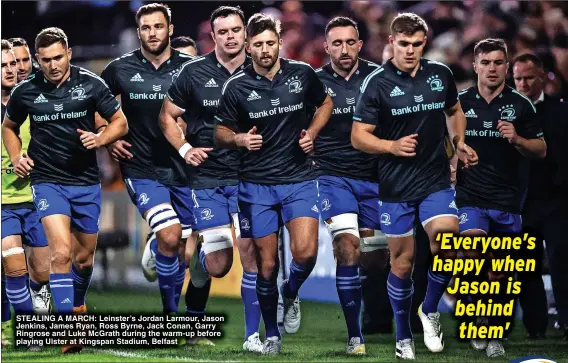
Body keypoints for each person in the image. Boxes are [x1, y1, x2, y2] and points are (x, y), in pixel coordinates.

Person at [351, 12, 478, 359]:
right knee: (402, 263)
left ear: (425, 43)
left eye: (417, 44)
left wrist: (458, 143)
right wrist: (391, 146)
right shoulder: (376, 83)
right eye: (403, 44)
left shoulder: (441, 75)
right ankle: (404, 335)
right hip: (395, 185)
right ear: (392, 42)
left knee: (449, 241)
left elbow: (454, 111)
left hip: (435, 179)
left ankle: (431, 309)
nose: (410, 50)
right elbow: (358, 136)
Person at [2, 27, 128, 354]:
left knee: (83, 260)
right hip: (47, 182)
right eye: (45, 60)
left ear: (69, 53)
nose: (53, 65)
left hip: (85, 183)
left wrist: (101, 139)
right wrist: (17, 156)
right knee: (60, 252)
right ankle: (68, 330)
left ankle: (78, 305)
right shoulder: (26, 91)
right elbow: (10, 127)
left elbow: (120, 122)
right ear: (38, 61)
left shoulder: (90, 83)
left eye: (58, 57)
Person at [214, 13, 333, 354]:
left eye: (270, 43)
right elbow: (219, 132)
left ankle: (291, 292)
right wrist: (239, 139)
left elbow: (325, 103)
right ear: (249, 47)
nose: (265, 50)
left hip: (298, 178)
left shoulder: (302, 74)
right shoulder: (236, 86)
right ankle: (273, 336)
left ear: (280, 42)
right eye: (258, 44)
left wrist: (312, 132)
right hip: (257, 185)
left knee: (306, 253)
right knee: (266, 265)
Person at [159, 6, 262, 352]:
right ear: (213, 36)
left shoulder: (262, 70)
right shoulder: (194, 72)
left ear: (245, 34)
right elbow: (167, 117)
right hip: (208, 180)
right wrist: (186, 148)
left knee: (253, 255)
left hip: (251, 176)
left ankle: (253, 336)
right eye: (224, 32)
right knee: (219, 266)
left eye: (236, 30)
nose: (231, 37)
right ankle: (201, 261)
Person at [100, 4, 203, 325]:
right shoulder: (120, 69)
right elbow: (95, 105)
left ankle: (156, 249)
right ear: (139, 31)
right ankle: (171, 319)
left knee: (183, 252)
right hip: (142, 169)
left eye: (158, 26)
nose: (152, 33)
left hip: (186, 171)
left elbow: (210, 110)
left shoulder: (193, 68)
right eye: (145, 27)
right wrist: (109, 136)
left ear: (170, 29)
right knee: (171, 236)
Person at [456, 39, 546, 357]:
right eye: (486, 62)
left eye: (498, 63)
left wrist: (518, 138)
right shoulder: (459, 102)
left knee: (500, 273)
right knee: (473, 253)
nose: (492, 68)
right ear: (475, 66)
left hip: (507, 200)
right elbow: (441, 143)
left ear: (506, 68)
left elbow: (541, 149)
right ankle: (479, 315)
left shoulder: (521, 106)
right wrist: (456, 151)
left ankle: (491, 327)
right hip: (470, 197)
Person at [311, 16, 383, 355]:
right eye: (336, 43)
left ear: (359, 44)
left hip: (374, 178)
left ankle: (369, 306)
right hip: (331, 177)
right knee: (347, 246)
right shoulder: (312, 83)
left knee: (376, 258)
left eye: (349, 42)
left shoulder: (379, 78)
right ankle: (355, 336)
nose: (343, 49)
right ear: (327, 47)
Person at [513, 53, 568, 341]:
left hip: (557, 201)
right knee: (526, 266)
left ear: (543, 77)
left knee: (562, 260)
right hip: (521, 203)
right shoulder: (505, 112)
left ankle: (567, 321)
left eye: (528, 77)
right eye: (518, 78)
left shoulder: (562, 112)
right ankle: (535, 327)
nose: (523, 83)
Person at [1, 39, 51, 320]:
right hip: (4, 203)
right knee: (15, 267)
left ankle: (37, 319)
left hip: (36, 199)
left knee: (41, 273)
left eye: (13, 64)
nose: (11, 70)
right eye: (3, 66)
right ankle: (18, 326)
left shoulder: (33, 101)